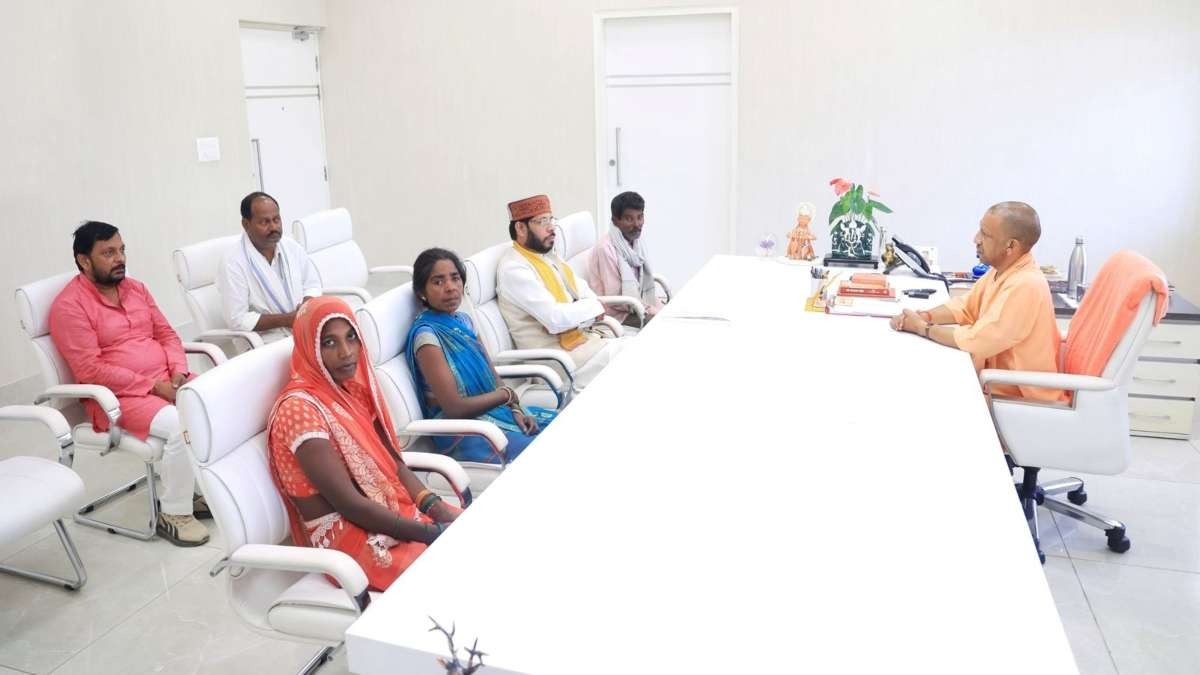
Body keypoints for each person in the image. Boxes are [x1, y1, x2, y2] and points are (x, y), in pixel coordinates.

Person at [267, 296, 461, 591]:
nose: (346, 352)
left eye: (351, 337)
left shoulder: (350, 390)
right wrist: (430, 533)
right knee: (454, 576)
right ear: (309, 347)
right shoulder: (299, 410)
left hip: (386, 511)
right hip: (346, 536)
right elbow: (349, 504)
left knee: (478, 538)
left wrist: (433, 506)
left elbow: (392, 462)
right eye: (329, 343)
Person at [49, 221, 209, 546]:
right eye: (108, 253)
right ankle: (173, 513)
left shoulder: (136, 289)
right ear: (84, 260)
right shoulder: (69, 306)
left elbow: (167, 334)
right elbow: (90, 369)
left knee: (217, 404)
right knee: (182, 426)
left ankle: (200, 490)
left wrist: (178, 371)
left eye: (121, 250)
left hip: (167, 381)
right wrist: (154, 386)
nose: (120, 258)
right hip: (117, 398)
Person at [889, 202, 1066, 402]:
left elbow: (979, 340)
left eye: (985, 234)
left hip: (1021, 399)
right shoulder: (1001, 271)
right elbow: (965, 307)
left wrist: (922, 328)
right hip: (994, 386)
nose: (976, 239)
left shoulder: (1027, 284)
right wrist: (923, 316)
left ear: (1011, 245)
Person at [406, 248, 557, 464]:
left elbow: (493, 376)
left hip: (495, 412)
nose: (450, 287)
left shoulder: (465, 322)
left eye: (455, 278)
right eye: (438, 282)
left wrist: (516, 409)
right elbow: (454, 408)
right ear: (422, 292)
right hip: (464, 432)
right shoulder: (427, 337)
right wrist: (506, 396)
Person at [497, 194, 625, 392]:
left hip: (581, 345)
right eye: (542, 222)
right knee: (631, 356)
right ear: (520, 228)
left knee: (637, 350)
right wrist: (593, 308)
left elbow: (584, 292)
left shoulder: (547, 257)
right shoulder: (514, 269)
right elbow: (556, 319)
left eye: (551, 220)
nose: (551, 228)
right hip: (555, 363)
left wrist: (588, 308)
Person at [217, 191, 321, 343]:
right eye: (264, 222)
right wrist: (287, 319)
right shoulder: (233, 262)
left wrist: (306, 305)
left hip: (302, 327)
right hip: (264, 341)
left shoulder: (291, 246)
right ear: (246, 224)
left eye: (276, 219)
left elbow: (312, 284)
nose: (273, 227)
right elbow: (237, 319)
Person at [587, 191, 666, 330]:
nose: (637, 224)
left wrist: (650, 306)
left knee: (675, 314)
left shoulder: (636, 241)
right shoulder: (605, 248)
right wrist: (650, 309)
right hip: (615, 312)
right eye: (629, 219)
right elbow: (615, 299)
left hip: (636, 303)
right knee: (663, 324)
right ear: (615, 220)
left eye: (640, 217)